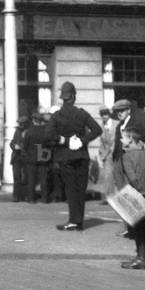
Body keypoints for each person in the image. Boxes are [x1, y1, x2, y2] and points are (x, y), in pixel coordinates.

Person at [47, 83, 103, 231]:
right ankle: (79, 221)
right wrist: (82, 141)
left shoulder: (57, 116)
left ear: (63, 98)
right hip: (82, 155)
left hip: (65, 156)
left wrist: (64, 140)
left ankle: (74, 220)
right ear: (74, 97)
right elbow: (97, 130)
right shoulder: (81, 113)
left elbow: (48, 135)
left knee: (71, 189)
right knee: (80, 190)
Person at [114, 122, 145, 269]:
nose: (121, 140)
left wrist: (139, 190)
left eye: (124, 138)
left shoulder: (127, 157)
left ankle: (140, 259)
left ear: (131, 140)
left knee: (138, 230)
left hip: (133, 195)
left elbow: (131, 177)